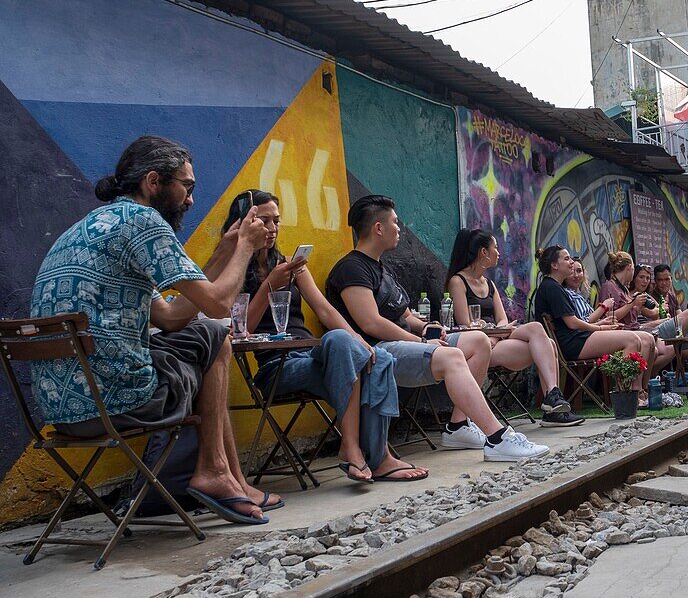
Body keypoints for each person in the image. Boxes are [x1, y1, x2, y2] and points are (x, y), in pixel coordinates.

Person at [30, 136, 277, 525]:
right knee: (215, 335)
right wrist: (246, 246)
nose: (191, 200)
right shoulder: (144, 222)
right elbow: (216, 306)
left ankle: (228, 477)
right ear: (153, 181)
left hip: (64, 413)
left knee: (202, 338)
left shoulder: (93, 227)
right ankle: (215, 472)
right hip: (120, 401)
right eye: (187, 186)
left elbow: (171, 317)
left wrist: (223, 253)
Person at [220, 190, 426, 483]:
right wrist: (269, 285)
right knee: (346, 347)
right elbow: (241, 329)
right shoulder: (235, 267)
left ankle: (380, 458)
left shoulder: (288, 263)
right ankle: (355, 449)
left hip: (310, 355)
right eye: (263, 221)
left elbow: (325, 311)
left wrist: (361, 342)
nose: (272, 228)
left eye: (276, 221)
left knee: (377, 357)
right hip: (276, 367)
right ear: (245, 222)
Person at [326, 196, 549, 462]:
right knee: (452, 356)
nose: (400, 228)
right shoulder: (352, 268)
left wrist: (426, 328)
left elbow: (405, 313)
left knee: (477, 341)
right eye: (395, 223)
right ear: (378, 228)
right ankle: (498, 438)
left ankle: (458, 426)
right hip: (376, 353)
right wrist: (420, 342)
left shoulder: (381, 269)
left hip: (404, 343)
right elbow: (370, 323)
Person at [445, 229, 582, 427]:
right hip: (478, 347)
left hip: (497, 338)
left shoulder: (489, 284)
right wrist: (493, 334)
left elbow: (502, 319)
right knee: (548, 343)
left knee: (539, 332)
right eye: (495, 248)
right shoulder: (458, 281)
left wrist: (497, 333)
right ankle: (553, 409)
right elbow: (465, 324)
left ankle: (552, 397)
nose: (498, 252)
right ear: (484, 252)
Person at [533, 246, 654, 402]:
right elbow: (572, 323)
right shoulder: (552, 287)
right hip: (571, 343)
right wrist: (600, 327)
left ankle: (635, 393)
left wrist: (602, 326)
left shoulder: (553, 286)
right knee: (632, 340)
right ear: (554, 265)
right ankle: (626, 396)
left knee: (641, 338)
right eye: (566, 259)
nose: (571, 262)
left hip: (576, 338)